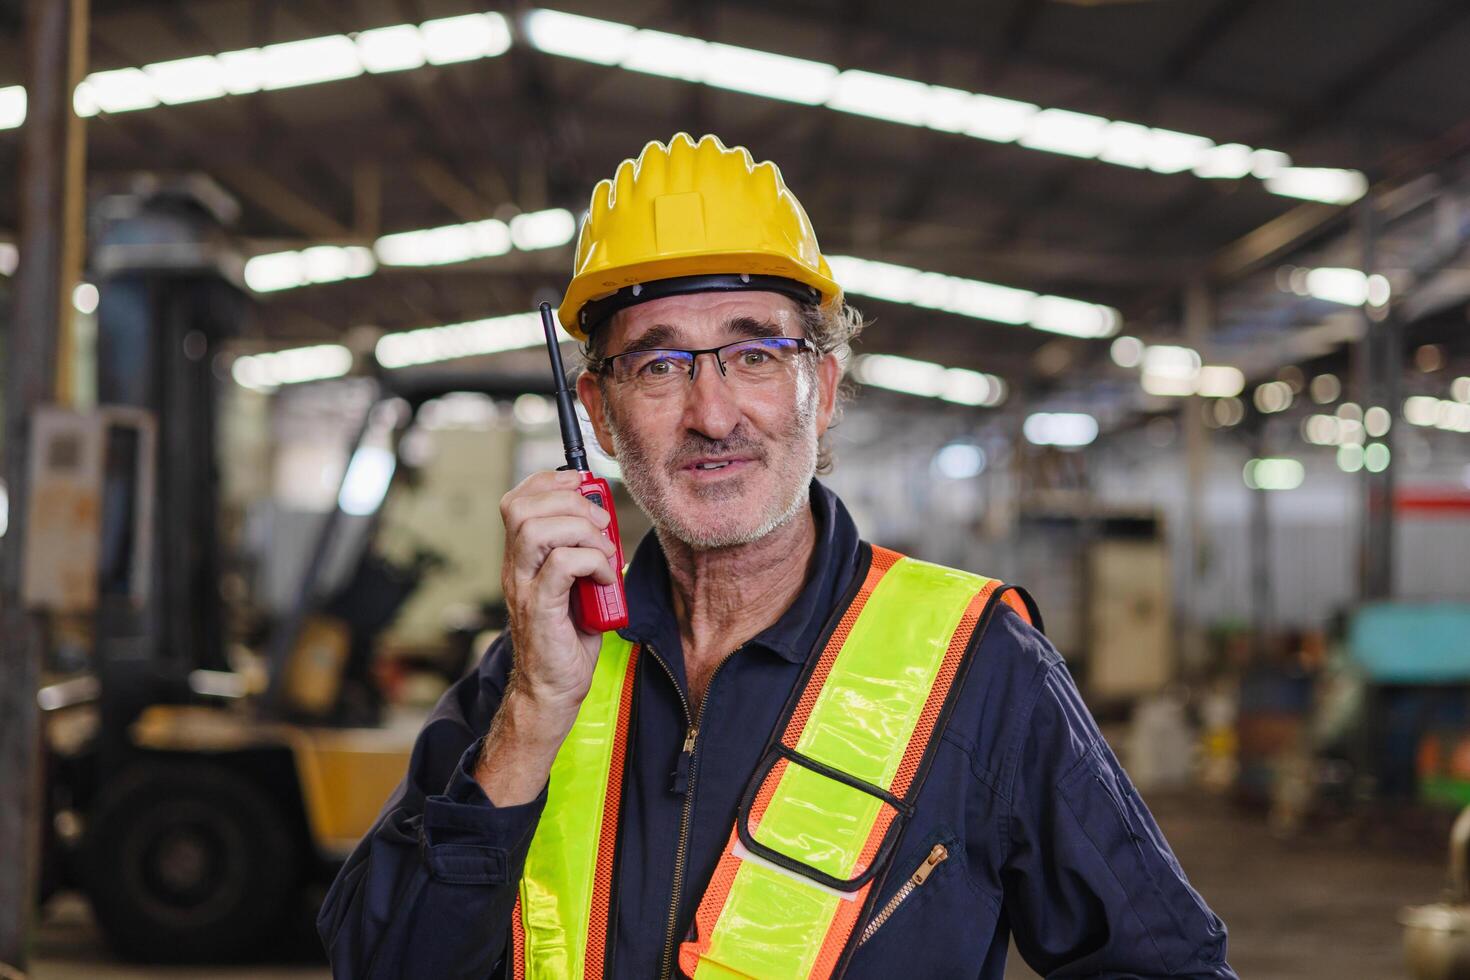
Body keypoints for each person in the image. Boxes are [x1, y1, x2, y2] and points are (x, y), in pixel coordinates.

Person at [319, 133, 1235, 979]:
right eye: (660, 365)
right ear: (596, 415)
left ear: (823, 386)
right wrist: (529, 717)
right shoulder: (529, 675)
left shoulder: (981, 668)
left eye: (755, 354)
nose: (713, 415)